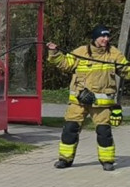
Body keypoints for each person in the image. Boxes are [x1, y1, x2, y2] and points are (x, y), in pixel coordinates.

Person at [47, 24, 129, 171]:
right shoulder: (81, 51)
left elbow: (125, 70)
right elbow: (65, 64)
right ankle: (65, 159)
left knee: (104, 132)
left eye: (107, 36)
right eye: (102, 36)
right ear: (95, 38)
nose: (105, 39)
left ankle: (107, 161)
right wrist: (54, 53)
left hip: (102, 105)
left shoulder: (114, 54)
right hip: (79, 101)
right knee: (70, 129)